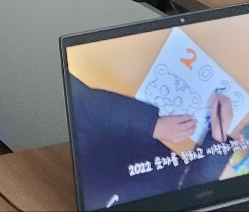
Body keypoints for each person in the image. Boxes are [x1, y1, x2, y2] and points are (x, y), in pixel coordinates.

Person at [69, 74, 233, 207]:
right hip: (179, 141)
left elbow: (79, 112)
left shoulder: (84, 194)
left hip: (123, 103)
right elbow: (194, 195)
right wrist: (217, 142)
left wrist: (152, 126)